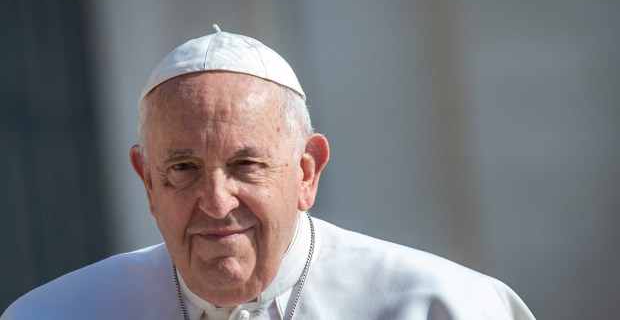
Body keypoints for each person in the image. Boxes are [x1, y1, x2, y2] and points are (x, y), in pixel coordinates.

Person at [2, 25, 535, 320]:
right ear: (146, 180)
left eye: (245, 165)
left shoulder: (441, 308)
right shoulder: (54, 315)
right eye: (183, 168)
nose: (216, 201)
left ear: (306, 172)